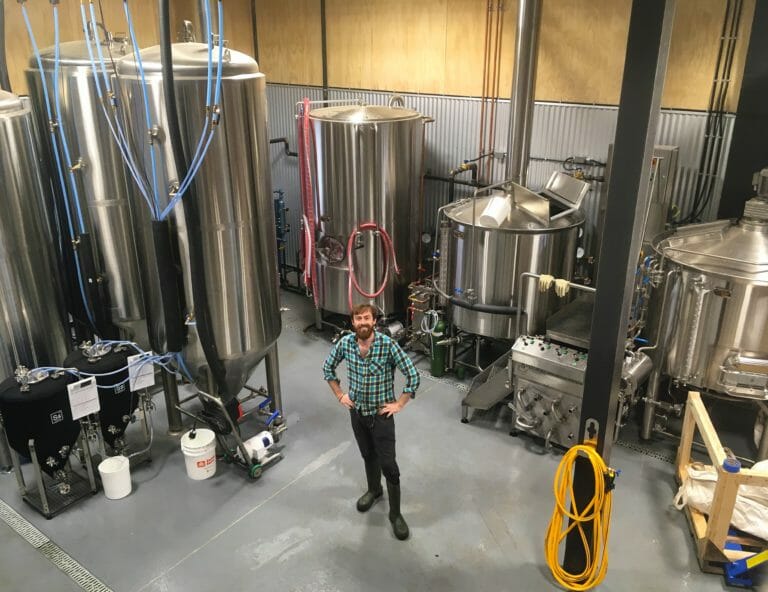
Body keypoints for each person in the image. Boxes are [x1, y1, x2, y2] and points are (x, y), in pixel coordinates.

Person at [322, 303, 420, 540]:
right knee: (368, 455)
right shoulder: (346, 344)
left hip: (381, 416)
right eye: (358, 318)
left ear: (374, 321)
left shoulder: (387, 345)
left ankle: (395, 514)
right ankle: (374, 490)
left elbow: (413, 375)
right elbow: (328, 369)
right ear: (353, 322)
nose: (363, 322)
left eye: (367, 318)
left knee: (389, 466)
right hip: (357, 413)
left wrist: (399, 404)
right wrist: (340, 395)